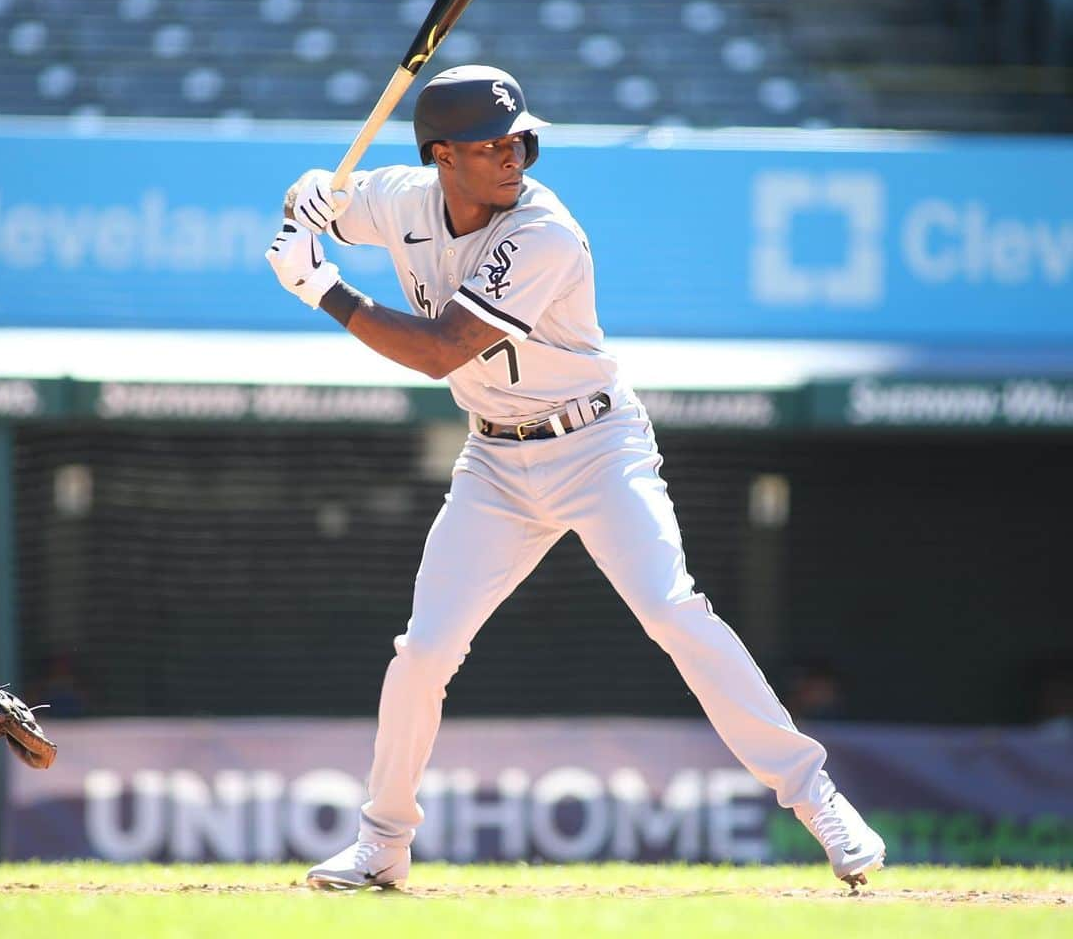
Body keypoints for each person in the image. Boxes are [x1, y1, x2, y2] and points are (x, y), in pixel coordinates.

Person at [267, 64, 885, 890]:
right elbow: (325, 200)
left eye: (523, 139)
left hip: (597, 444)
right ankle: (383, 843)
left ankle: (818, 799)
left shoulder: (545, 230)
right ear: (442, 156)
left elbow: (440, 351)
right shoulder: (401, 195)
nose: (516, 156)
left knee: (675, 611)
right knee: (424, 652)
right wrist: (307, 192)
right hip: (494, 459)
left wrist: (324, 291)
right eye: (494, 145)